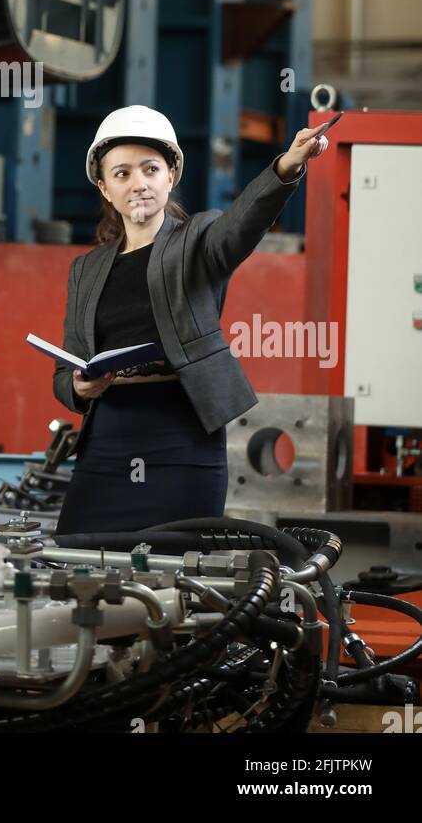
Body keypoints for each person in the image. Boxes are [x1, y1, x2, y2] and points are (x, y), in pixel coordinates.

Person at [52, 106, 329, 536]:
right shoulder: (85, 270)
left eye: (150, 169)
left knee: (175, 575)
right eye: (122, 174)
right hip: (107, 440)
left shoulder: (201, 240)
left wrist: (287, 166)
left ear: (171, 176)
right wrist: (77, 386)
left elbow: (244, 222)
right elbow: (63, 371)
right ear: (105, 189)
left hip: (182, 437)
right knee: (75, 558)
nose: (139, 183)